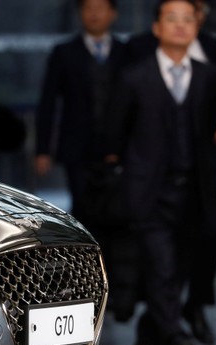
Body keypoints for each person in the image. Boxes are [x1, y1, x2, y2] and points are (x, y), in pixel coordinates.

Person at [104, 0, 216, 345]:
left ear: (197, 26)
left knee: (177, 272)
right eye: (171, 19)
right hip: (149, 193)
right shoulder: (134, 76)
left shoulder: (207, 75)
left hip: (194, 192)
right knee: (161, 268)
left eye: (187, 19)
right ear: (156, 28)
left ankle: (147, 337)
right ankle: (175, 340)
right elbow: (113, 135)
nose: (179, 25)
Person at [35, 0, 128, 220]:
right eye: (88, 8)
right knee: (83, 209)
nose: (94, 14)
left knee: (119, 210)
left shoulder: (126, 52)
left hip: (120, 148)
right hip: (77, 147)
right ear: (80, 13)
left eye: (100, 8)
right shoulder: (63, 52)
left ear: (112, 13)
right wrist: (43, 149)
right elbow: (48, 102)